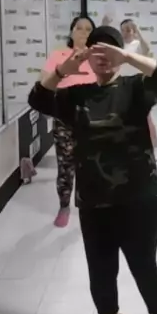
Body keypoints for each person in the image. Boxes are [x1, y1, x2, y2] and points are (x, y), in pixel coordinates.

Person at [28, 25, 157, 314]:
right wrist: (64, 68)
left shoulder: (135, 88)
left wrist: (127, 56)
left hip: (139, 197)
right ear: (88, 58)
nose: (103, 58)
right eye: (97, 52)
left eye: (110, 51)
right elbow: (38, 99)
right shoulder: (76, 95)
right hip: (94, 202)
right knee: (101, 271)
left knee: (144, 266)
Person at [41, 15, 96, 227]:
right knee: (65, 166)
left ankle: (91, 207)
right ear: (71, 32)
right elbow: (44, 83)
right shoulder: (59, 55)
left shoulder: (97, 57)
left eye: (88, 29)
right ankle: (64, 205)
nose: (83, 32)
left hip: (93, 121)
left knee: (92, 166)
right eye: (79, 28)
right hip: (64, 119)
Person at [120, 18, 157, 159]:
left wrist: (138, 32)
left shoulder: (137, 44)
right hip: (122, 84)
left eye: (129, 29)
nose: (126, 32)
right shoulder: (119, 46)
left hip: (138, 84)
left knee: (146, 117)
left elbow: (147, 50)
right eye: (123, 30)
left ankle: (154, 147)